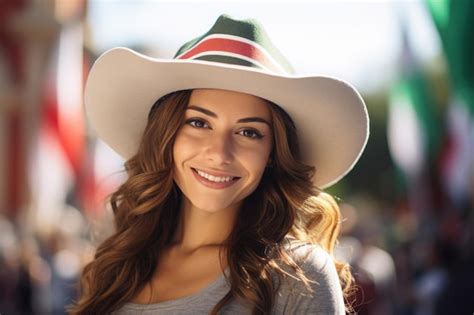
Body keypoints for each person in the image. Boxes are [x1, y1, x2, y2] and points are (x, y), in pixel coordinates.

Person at [68, 14, 369, 315]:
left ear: (273, 154)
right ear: (167, 136)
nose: (220, 153)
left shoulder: (298, 276)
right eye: (199, 122)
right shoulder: (119, 265)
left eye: (249, 132)